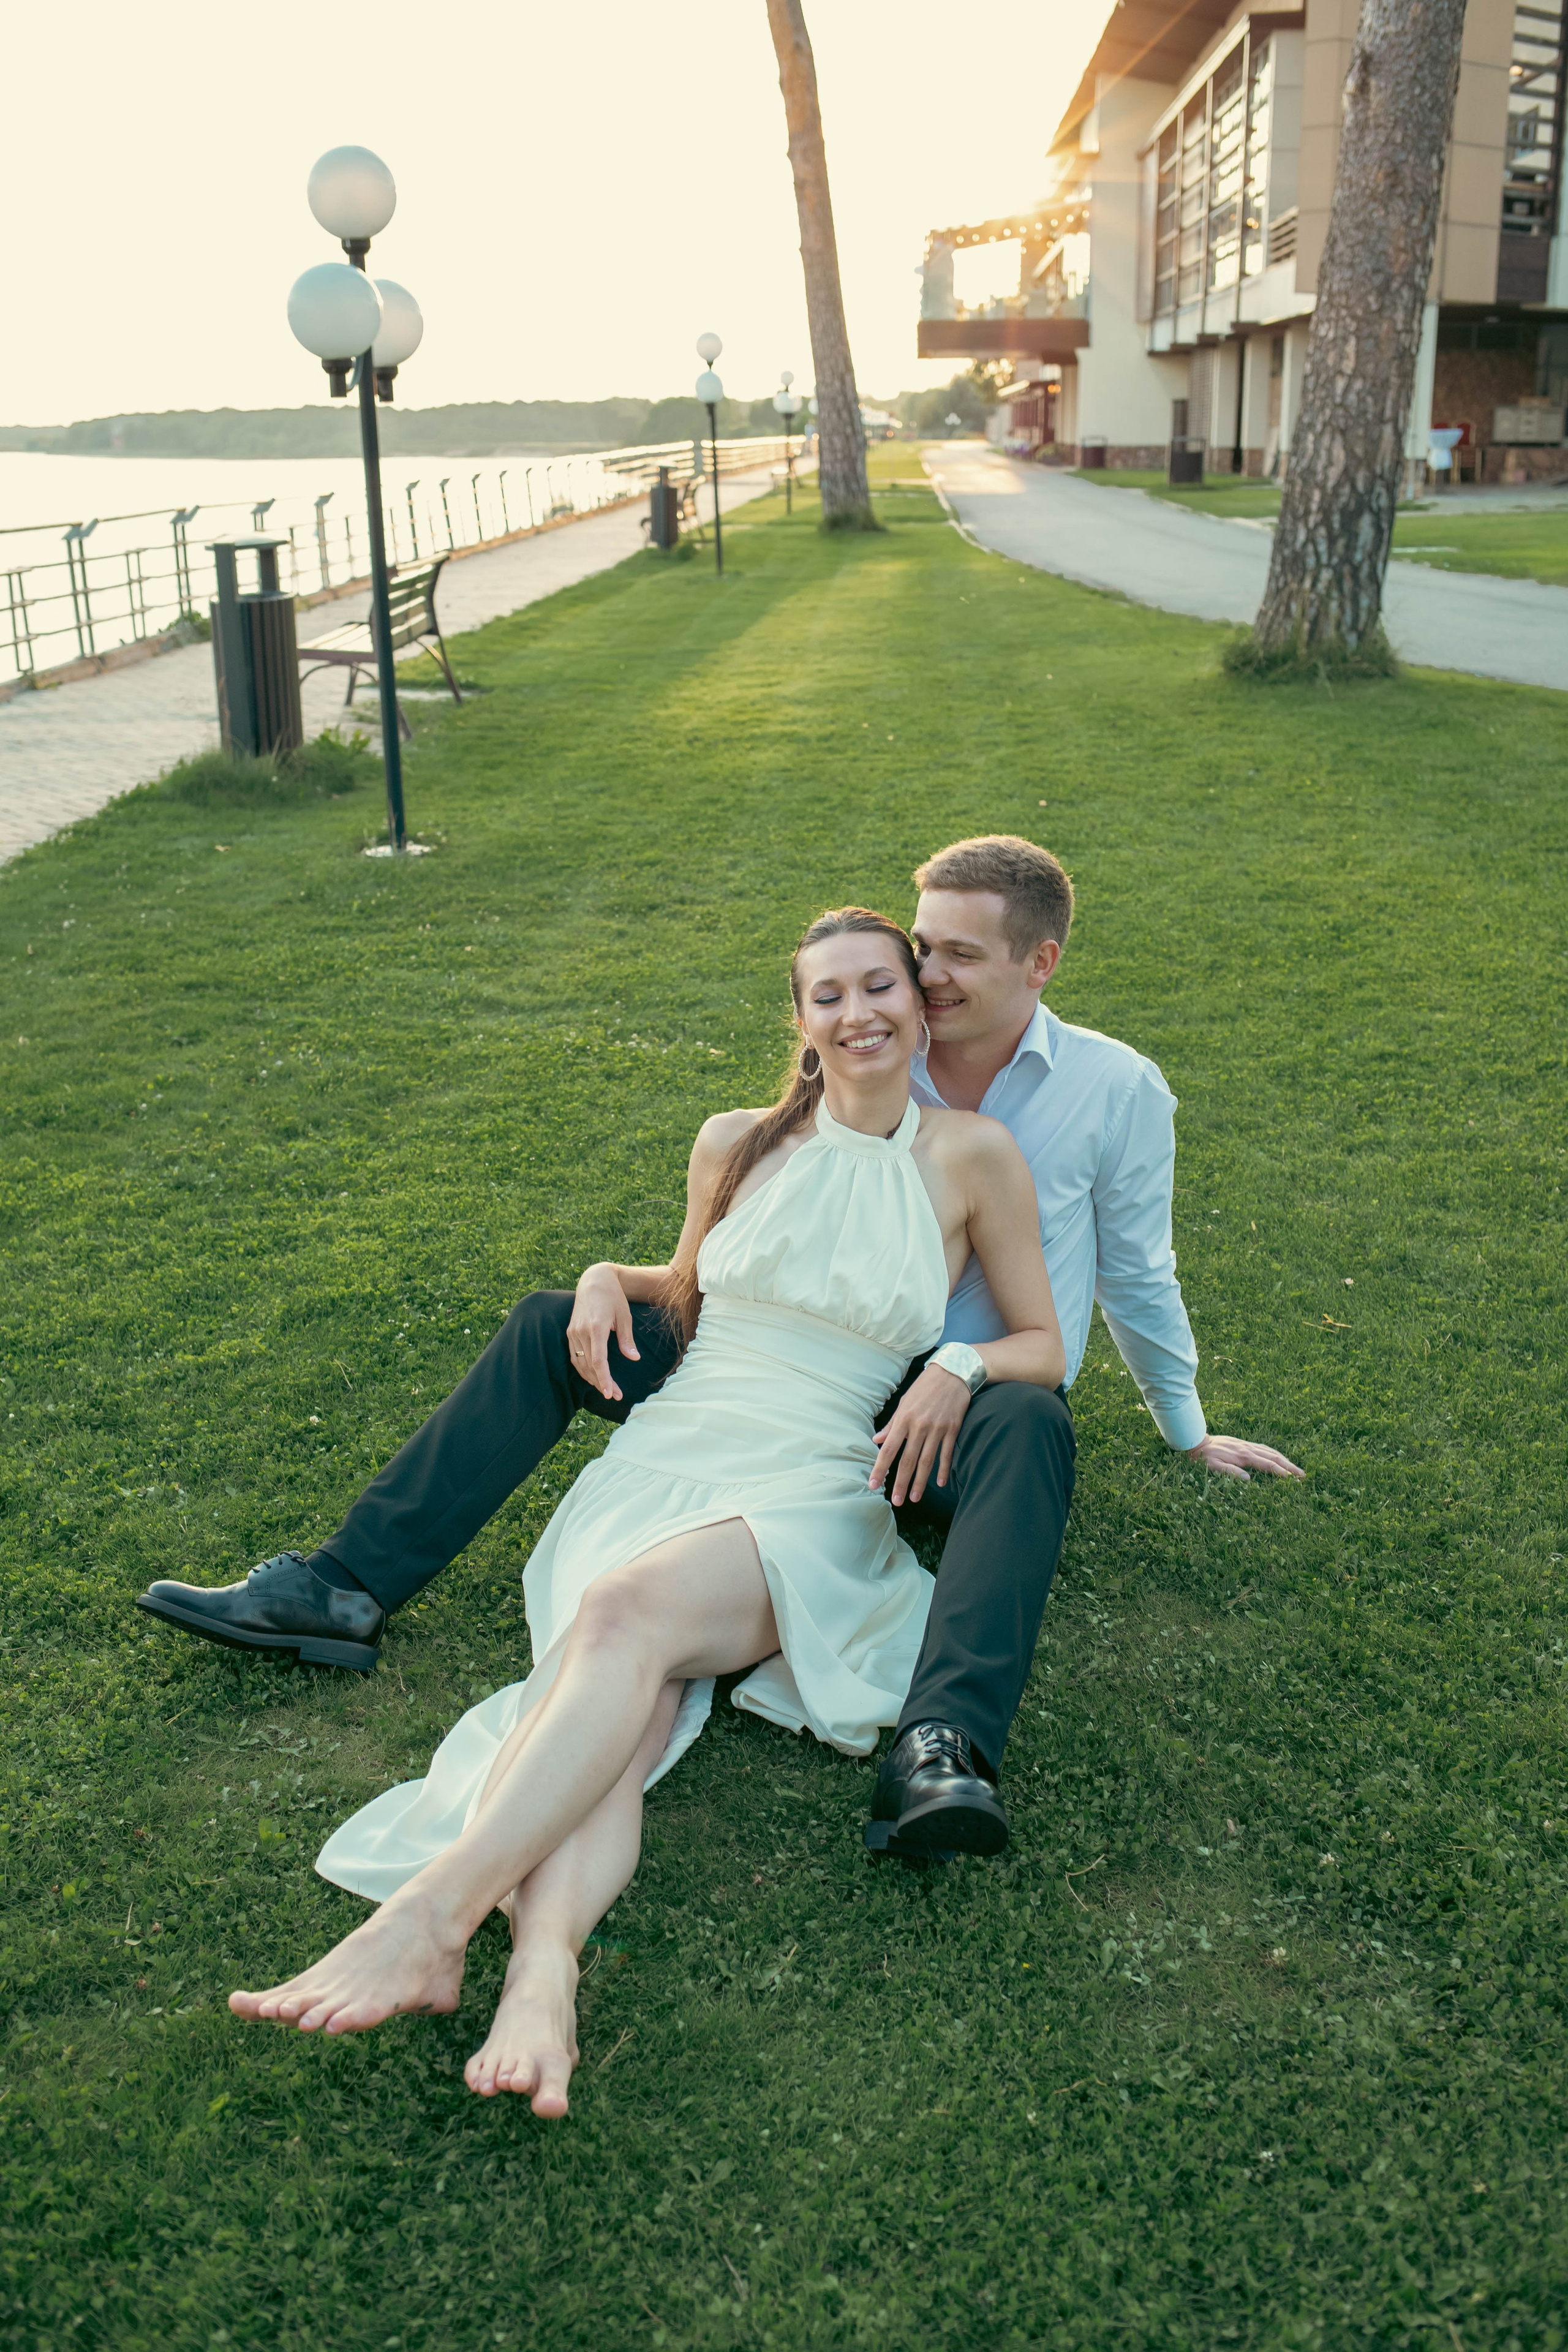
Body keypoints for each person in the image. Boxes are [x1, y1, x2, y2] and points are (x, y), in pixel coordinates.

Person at [140, 834, 1302, 1857]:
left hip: (952, 1392)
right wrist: (609, 1275)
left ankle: (943, 1742)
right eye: (922, 951)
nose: (925, 981)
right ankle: (341, 1589)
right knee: (557, 1317)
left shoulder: (1098, 1093)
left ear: (1037, 963)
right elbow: (711, 1264)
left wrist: (1178, 1426)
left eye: (950, 959)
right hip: (763, 1355)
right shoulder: (836, 1074)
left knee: (1031, 1420)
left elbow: (1135, 1273)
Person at [228, 908, 1065, 2113]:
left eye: (879, 985)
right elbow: (684, 1285)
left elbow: (1037, 1339)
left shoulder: (969, 1154)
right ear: (801, 1020)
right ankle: (540, 1975)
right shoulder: (731, 1140)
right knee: (625, 1696)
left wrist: (961, 1366)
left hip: (805, 1484)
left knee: (622, 1620)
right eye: (826, 996)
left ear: (913, 1000)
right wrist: (592, 1278)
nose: (857, 1013)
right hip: (665, 1457)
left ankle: (430, 1915)